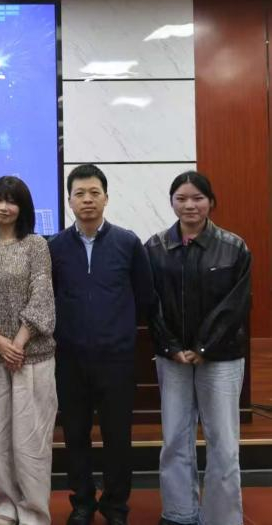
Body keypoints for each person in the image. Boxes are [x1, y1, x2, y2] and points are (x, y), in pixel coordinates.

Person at [49, 164, 154, 525]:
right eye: (80, 193)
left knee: (117, 438)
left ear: (106, 198)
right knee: (75, 436)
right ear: (69, 201)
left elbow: (145, 297)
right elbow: (49, 299)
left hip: (116, 360)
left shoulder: (127, 242)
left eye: (94, 192)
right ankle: (82, 503)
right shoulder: (55, 247)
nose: (88, 200)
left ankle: (115, 506)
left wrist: (119, 333)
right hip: (70, 359)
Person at [146, 171, 250, 525]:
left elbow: (236, 306)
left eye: (197, 198)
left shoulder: (234, 247)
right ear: (172, 203)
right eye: (181, 198)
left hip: (220, 358)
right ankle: (179, 513)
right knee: (175, 439)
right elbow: (151, 304)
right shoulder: (155, 247)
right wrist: (172, 346)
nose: (189, 205)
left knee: (223, 443)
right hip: (173, 358)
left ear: (211, 202)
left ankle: (222, 517)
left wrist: (204, 348)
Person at [0, 176, 57, 525]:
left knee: (31, 441)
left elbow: (42, 295)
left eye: (11, 201)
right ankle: (6, 508)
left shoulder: (36, 245)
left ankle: (34, 512)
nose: (3, 207)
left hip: (32, 358)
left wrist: (18, 343)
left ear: (22, 208)